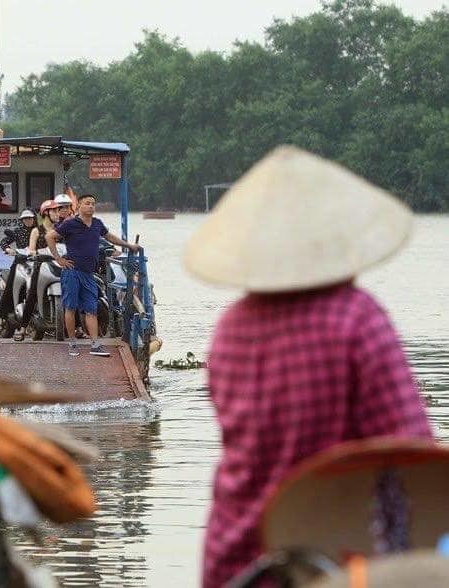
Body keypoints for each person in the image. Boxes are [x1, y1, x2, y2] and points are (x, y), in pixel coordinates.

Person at [183, 146, 433, 588]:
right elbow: (411, 451)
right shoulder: (357, 318)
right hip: (335, 560)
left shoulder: (230, 328)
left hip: (237, 556)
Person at [46, 194, 139, 357]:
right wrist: (59, 259)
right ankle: (73, 342)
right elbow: (49, 236)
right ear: (79, 206)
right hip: (72, 271)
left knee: (91, 308)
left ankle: (95, 344)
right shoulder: (70, 224)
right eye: (87, 203)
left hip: (89, 273)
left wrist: (128, 245)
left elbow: (109, 236)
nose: (91, 206)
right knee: (70, 307)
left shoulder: (97, 224)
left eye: (93, 204)